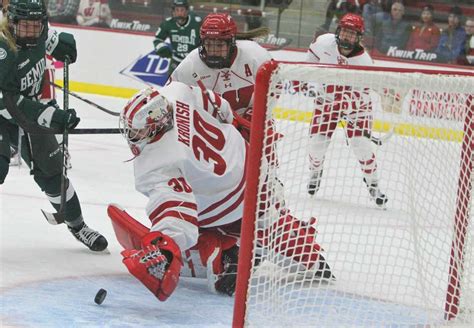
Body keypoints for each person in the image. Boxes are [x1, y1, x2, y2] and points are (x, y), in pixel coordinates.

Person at [112, 82, 333, 301]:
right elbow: (217, 104)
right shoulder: (177, 93)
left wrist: (165, 247)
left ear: (156, 125)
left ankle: (222, 248)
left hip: (231, 206)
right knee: (271, 223)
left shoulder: (158, 163)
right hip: (255, 164)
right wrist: (233, 121)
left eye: (138, 129)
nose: (133, 133)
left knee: (199, 235)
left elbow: (177, 212)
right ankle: (312, 259)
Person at [0, 0, 108, 251]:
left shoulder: (40, 29)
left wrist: (64, 46)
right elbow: (10, 104)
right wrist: (52, 115)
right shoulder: (3, 50)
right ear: (12, 23)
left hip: (28, 106)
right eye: (25, 26)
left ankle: (78, 226)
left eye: (36, 26)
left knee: (52, 175)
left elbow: (53, 40)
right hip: (4, 110)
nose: (32, 32)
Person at [305, 13, 388, 208]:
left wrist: (344, 105)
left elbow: (362, 96)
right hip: (326, 101)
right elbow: (309, 62)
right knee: (316, 145)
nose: (346, 37)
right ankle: (315, 172)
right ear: (338, 31)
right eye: (344, 32)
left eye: (352, 34)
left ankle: (373, 184)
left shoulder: (365, 63)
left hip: (356, 109)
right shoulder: (324, 43)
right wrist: (311, 84)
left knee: (362, 147)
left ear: (359, 37)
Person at [168, 13, 272, 139]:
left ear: (231, 42)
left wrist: (257, 112)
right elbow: (170, 95)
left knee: (264, 155)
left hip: (255, 123)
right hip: (214, 130)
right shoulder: (190, 65)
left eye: (219, 45)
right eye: (208, 44)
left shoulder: (255, 55)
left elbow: (274, 87)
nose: (213, 51)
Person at [153, 0, 201, 77]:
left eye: (182, 10)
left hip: (193, 62)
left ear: (187, 11)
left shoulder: (197, 22)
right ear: (173, 12)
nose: (179, 13)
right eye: (177, 10)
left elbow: (206, 39)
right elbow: (158, 39)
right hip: (176, 61)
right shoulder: (168, 23)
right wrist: (161, 48)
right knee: (170, 86)